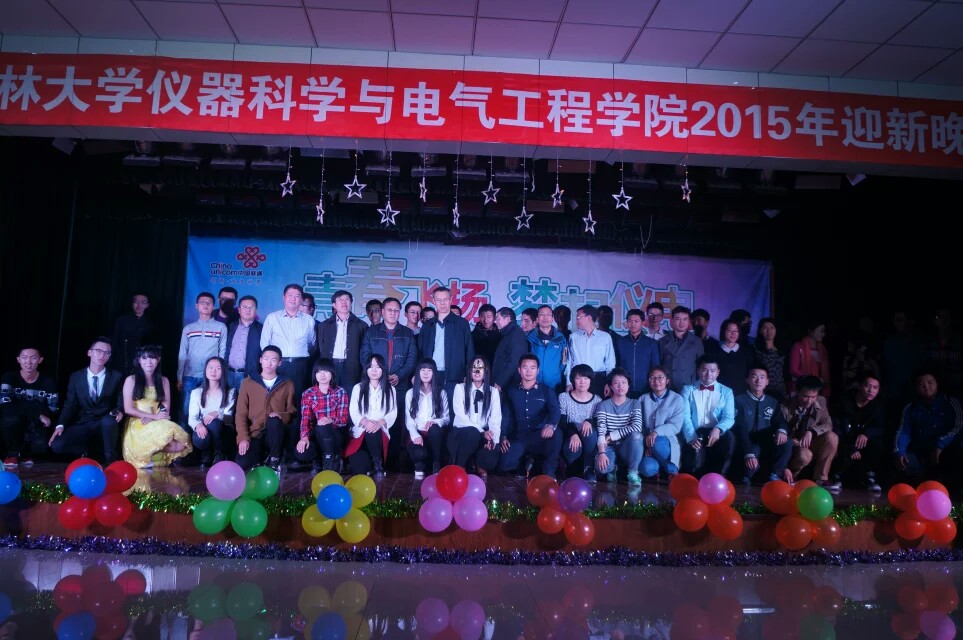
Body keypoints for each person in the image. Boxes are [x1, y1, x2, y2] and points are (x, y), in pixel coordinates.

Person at [360, 296, 417, 469]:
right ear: (383, 312)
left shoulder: (407, 333)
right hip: (376, 384)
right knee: (376, 418)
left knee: (397, 422)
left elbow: (412, 358)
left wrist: (399, 375)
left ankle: (393, 461)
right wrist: (378, 376)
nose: (393, 313)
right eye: (389, 310)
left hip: (400, 385)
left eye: (396, 310)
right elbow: (365, 356)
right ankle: (376, 459)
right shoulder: (372, 332)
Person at [49, 337, 125, 464]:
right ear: (89, 352)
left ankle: (111, 461)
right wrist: (61, 425)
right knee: (57, 445)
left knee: (108, 422)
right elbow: (70, 404)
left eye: (107, 352)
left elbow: (121, 399)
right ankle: (86, 451)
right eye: (98, 351)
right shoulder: (76, 377)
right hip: (85, 421)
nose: (102, 355)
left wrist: (120, 410)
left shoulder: (117, 376)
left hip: (106, 420)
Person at [121, 345, 192, 469]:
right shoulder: (131, 380)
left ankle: (152, 454)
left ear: (158, 360)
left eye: (152, 358)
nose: (149, 361)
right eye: (144, 358)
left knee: (181, 444)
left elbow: (166, 406)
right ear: (139, 360)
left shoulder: (163, 380)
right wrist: (152, 416)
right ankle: (144, 456)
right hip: (138, 421)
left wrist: (155, 418)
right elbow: (128, 409)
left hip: (157, 418)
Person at [894, 370, 963, 487]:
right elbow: (904, 431)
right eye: (921, 384)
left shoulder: (951, 402)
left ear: (937, 384)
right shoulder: (911, 407)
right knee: (904, 462)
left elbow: (958, 427)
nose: (926, 386)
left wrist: (940, 445)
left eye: (930, 382)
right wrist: (899, 451)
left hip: (945, 451)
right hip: (920, 452)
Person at [499, 354, 562, 479]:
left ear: (538, 370)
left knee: (557, 433)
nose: (528, 371)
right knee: (505, 465)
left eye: (532, 368)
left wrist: (550, 426)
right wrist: (503, 436)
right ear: (519, 370)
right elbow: (506, 415)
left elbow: (555, 411)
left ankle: (549, 471)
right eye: (525, 367)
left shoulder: (547, 391)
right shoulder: (511, 391)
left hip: (540, 436)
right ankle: (524, 463)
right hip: (519, 436)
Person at [235, 346, 296, 471]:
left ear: (279, 363)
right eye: (266, 359)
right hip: (255, 433)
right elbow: (241, 413)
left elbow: (292, 411)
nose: (269, 363)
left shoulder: (287, 384)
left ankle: (275, 459)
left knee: (273, 421)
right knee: (243, 463)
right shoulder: (247, 383)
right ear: (260, 360)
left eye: (274, 360)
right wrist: (243, 438)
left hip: (276, 434)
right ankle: (261, 458)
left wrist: (280, 415)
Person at [417, 286, 474, 410]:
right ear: (433, 301)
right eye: (438, 300)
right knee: (432, 410)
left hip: (455, 375)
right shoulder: (427, 325)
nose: (442, 303)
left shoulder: (461, 323)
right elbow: (420, 353)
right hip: (431, 375)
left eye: (445, 299)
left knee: (454, 410)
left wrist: (468, 374)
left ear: (450, 300)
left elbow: (469, 350)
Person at [732, 367, 792, 485]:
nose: (758, 381)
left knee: (787, 442)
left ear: (767, 381)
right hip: (746, 443)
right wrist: (748, 453)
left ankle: (775, 476)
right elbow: (740, 428)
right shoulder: (738, 400)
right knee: (749, 471)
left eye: (762, 377)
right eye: (754, 376)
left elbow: (780, 421)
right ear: (747, 380)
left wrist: (781, 430)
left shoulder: (773, 402)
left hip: (766, 442)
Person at [1, 346, 59, 467]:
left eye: (33, 358)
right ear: (18, 359)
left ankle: (26, 453)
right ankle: (12, 454)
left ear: (40, 360)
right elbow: (5, 404)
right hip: (15, 421)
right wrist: (37, 413)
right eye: (24, 357)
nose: (28, 362)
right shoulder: (9, 377)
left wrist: (32, 413)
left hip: (34, 424)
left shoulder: (48, 381)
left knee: (40, 446)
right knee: (12, 419)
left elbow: (53, 408)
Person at [177, 292, 227, 428]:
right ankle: (184, 438)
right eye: (202, 302)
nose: (205, 305)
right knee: (186, 409)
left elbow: (222, 353)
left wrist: (219, 374)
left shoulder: (221, 327)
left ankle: (203, 438)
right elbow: (182, 353)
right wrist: (179, 377)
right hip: (190, 375)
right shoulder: (188, 328)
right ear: (196, 306)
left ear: (213, 306)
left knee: (208, 409)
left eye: (208, 303)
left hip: (211, 377)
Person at [828, 371, 885, 492]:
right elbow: (837, 427)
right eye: (867, 386)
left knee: (878, 442)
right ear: (859, 385)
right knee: (834, 439)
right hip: (845, 440)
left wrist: (866, 434)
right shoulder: (844, 402)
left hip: (862, 442)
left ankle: (869, 476)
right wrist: (850, 447)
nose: (871, 391)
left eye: (875, 388)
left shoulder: (878, 405)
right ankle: (836, 476)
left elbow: (880, 426)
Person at [680, 355, 735, 477]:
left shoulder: (727, 391)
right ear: (698, 371)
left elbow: (729, 417)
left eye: (713, 370)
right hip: (695, 431)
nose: (708, 374)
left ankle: (719, 476)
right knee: (692, 465)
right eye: (704, 370)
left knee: (729, 438)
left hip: (716, 432)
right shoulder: (687, 390)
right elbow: (684, 416)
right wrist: (691, 436)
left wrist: (718, 429)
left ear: (718, 372)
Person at [260, 284, 317, 402]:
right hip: (278, 365)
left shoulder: (309, 320)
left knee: (297, 399)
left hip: (300, 366)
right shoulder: (272, 318)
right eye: (290, 295)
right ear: (284, 298)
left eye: (297, 296)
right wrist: (272, 361)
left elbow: (312, 344)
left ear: (301, 299)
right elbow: (264, 344)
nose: (293, 299)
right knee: (276, 400)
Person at [345, 354, 397, 476]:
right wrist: (366, 422)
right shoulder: (358, 388)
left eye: (378, 367)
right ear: (366, 369)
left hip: (379, 434)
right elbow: (354, 411)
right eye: (371, 367)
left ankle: (378, 464)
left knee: (373, 431)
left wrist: (378, 423)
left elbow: (393, 413)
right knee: (360, 468)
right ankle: (370, 464)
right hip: (360, 433)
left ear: (383, 369)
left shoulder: (390, 389)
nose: (374, 370)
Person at [451, 356, 502, 478]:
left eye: (480, 367)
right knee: (472, 434)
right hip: (462, 434)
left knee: (490, 459)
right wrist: (481, 431)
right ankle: (461, 466)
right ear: (469, 370)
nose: (477, 371)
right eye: (474, 367)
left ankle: (479, 462)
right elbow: (460, 417)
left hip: (483, 434)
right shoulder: (460, 388)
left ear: (486, 370)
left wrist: (492, 439)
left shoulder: (493, 392)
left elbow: (495, 419)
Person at [782, 375, 837, 488]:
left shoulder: (821, 401)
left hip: (810, 441)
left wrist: (811, 431)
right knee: (805, 455)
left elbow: (828, 424)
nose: (810, 400)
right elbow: (780, 431)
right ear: (797, 392)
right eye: (805, 396)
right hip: (793, 444)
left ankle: (821, 478)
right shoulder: (786, 404)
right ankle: (791, 475)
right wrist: (793, 441)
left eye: (813, 397)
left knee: (832, 437)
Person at [296, 358, 349, 474]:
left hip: (335, 435)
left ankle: (330, 461)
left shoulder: (340, 392)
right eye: (319, 372)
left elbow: (344, 419)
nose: (322, 375)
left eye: (326, 371)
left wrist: (330, 420)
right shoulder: (308, 393)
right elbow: (305, 419)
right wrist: (304, 437)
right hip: (316, 434)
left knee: (323, 426)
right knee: (301, 452)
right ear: (315, 374)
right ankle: (318, 460)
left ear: (332, 373)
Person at [594, 368, 644, 486]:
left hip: (627, 446)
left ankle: (633, 472)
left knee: (637, 436)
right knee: (602, 469)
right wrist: (602, 453)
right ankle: (613, 468)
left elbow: (637, 427)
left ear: (628, 385)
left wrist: (612, 435)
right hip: (609, 446)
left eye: (623, 382)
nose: (620, 386)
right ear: (611, 386)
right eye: (616, 383)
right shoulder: (602, 405)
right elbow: (601, 431)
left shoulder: (635, 403)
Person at [405, 358, 450, 478]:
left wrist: (434, 421)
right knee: (418, 453)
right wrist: (415, 435)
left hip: (434, 435)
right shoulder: (410, 393)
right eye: (422, 370)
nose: (425, 373)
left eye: (429, 370)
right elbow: (409, 420)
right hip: (417, 432)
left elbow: (446, 418)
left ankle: (436, 464)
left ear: (434, 373)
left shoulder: (441, 393)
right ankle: (419, 466)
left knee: (434, 429)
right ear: (418, 372)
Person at [187, 356, 236, 467]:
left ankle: (220, 453)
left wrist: (218, 414)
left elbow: (229, 418)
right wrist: (198, 425)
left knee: (214, 423)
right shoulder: (196, 392)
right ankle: (207, 454)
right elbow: (192, 418)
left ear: (223, 371)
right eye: (210, 368)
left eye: (218, 368)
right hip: (204, 428)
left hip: (224, 431)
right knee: (201, 437)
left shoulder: (230, 392)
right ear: (205, 370)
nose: (213, 371)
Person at [639, 366, 685, 480]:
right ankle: (659, 468)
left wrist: (655, 432)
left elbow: (675, 426)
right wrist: (646, 444)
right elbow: (638, 424)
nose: (656, 381)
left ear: (667, 380)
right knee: (647, 469)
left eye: (660, 378)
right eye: (652, 378)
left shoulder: (677, 399)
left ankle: (672, 470)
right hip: (648, 442)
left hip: (667, 442)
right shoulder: (642, 399)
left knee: (657, 441)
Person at [316, 289, 367, 392]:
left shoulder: (361, 325)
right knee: (329, 394)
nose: (344, 302)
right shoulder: (324, 325)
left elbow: (363, 350)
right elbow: (321, 347)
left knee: (349, 395)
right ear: (334, 305)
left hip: (351, 367)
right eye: (340, 300)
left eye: (347, 299)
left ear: (351, 303)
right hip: (330, 366)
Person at [558, 364, 601, 482]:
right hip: (569, 434)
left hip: (588, 436)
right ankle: (571, 469)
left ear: (591, 381)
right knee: (573, 448)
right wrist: (573, 434)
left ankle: (589, 468)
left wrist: (589, 421)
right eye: (578, 378)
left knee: (590, 432)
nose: (582, 382)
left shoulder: (597, 400)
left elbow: (598, 421)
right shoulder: (564, 397)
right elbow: (562, 421)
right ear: (573, 380)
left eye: (586, 378)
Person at [566, 305, 616, 397]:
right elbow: (569, 362)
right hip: (579, 379)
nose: (576, 320)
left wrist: (609, 383)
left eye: (578, 317)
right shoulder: (573, 337)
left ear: (588, 317)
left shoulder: (605, 337)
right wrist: (568, 382)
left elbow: (610, 363)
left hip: (599, 379)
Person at [615, 309, 661, 399]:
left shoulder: (651, 343)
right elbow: (616, 365)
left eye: (636, 321)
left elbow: (655, 367)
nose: (633, 324)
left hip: (646, 388)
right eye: (630, 321)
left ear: (643, 322)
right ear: (627, 323)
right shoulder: (620, 342)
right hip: (624, 388)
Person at [660, 306, 705, 393]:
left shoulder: (697, 341)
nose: (681, 322)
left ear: (689, 321)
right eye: (678, 319)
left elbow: (701, 366)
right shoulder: (662, 341)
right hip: (668, 387)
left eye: (685, 319)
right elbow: (660, 365)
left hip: (689, 387)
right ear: (672, 320)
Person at [225, 295, 263, 394]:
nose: (248, 310)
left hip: (249, 376)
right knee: (227, 402)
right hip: (228, 374)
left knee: (245, 403)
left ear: (256, 310)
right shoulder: (229, 327)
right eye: (244, 307)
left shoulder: (261, 330)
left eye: (251, 307)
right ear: (239, 310)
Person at [710, 319, 756, 395]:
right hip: (720, 393)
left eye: (736, 331)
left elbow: (750, 372)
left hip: (741, 393)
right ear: (724, 331)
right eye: (730, 330)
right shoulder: (714, 351)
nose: (733, 334)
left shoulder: (747, 351)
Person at [528, 305, 568, 393]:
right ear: (537, 319)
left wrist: (555, 372)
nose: (545, 317)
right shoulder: (529, 338)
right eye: (541, 314)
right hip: (533, 384)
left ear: (553, 318)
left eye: (548, 314)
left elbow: (564, 361)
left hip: (554, 384)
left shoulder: (561, 338)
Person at [111, 292, 154, 373]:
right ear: (132, 303)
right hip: (120, 362)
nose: (139, 305)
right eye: (136, 301)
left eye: (143, 302)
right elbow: (114, 341)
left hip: (140, 364)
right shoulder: (121, 320)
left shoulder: (149, 324)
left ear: (147, 305)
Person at [491, 307, 529, 392]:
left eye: (498, 318)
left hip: (510, 384)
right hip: (506, 383)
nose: (495, 321)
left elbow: (514, 361)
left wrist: (500, 382)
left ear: (507, 319)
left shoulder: (516, 334)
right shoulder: (508, 333)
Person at [790, 321, 831, 398]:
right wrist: (812, 380)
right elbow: (794, 370)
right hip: (801, 390)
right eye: (821, 331)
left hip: (818, 390)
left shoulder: (822, 350)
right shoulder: (798, 346)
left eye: (824, 332)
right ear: (810, 331)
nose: (823, 334)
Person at [754, 318, 788, 401]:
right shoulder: (755, 350)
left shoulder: (781, 350)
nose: (769, 331)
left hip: (780, 391)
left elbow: (785, 373)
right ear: (760, 330)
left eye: (772, 328)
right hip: (762, 391)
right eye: (765, 328)